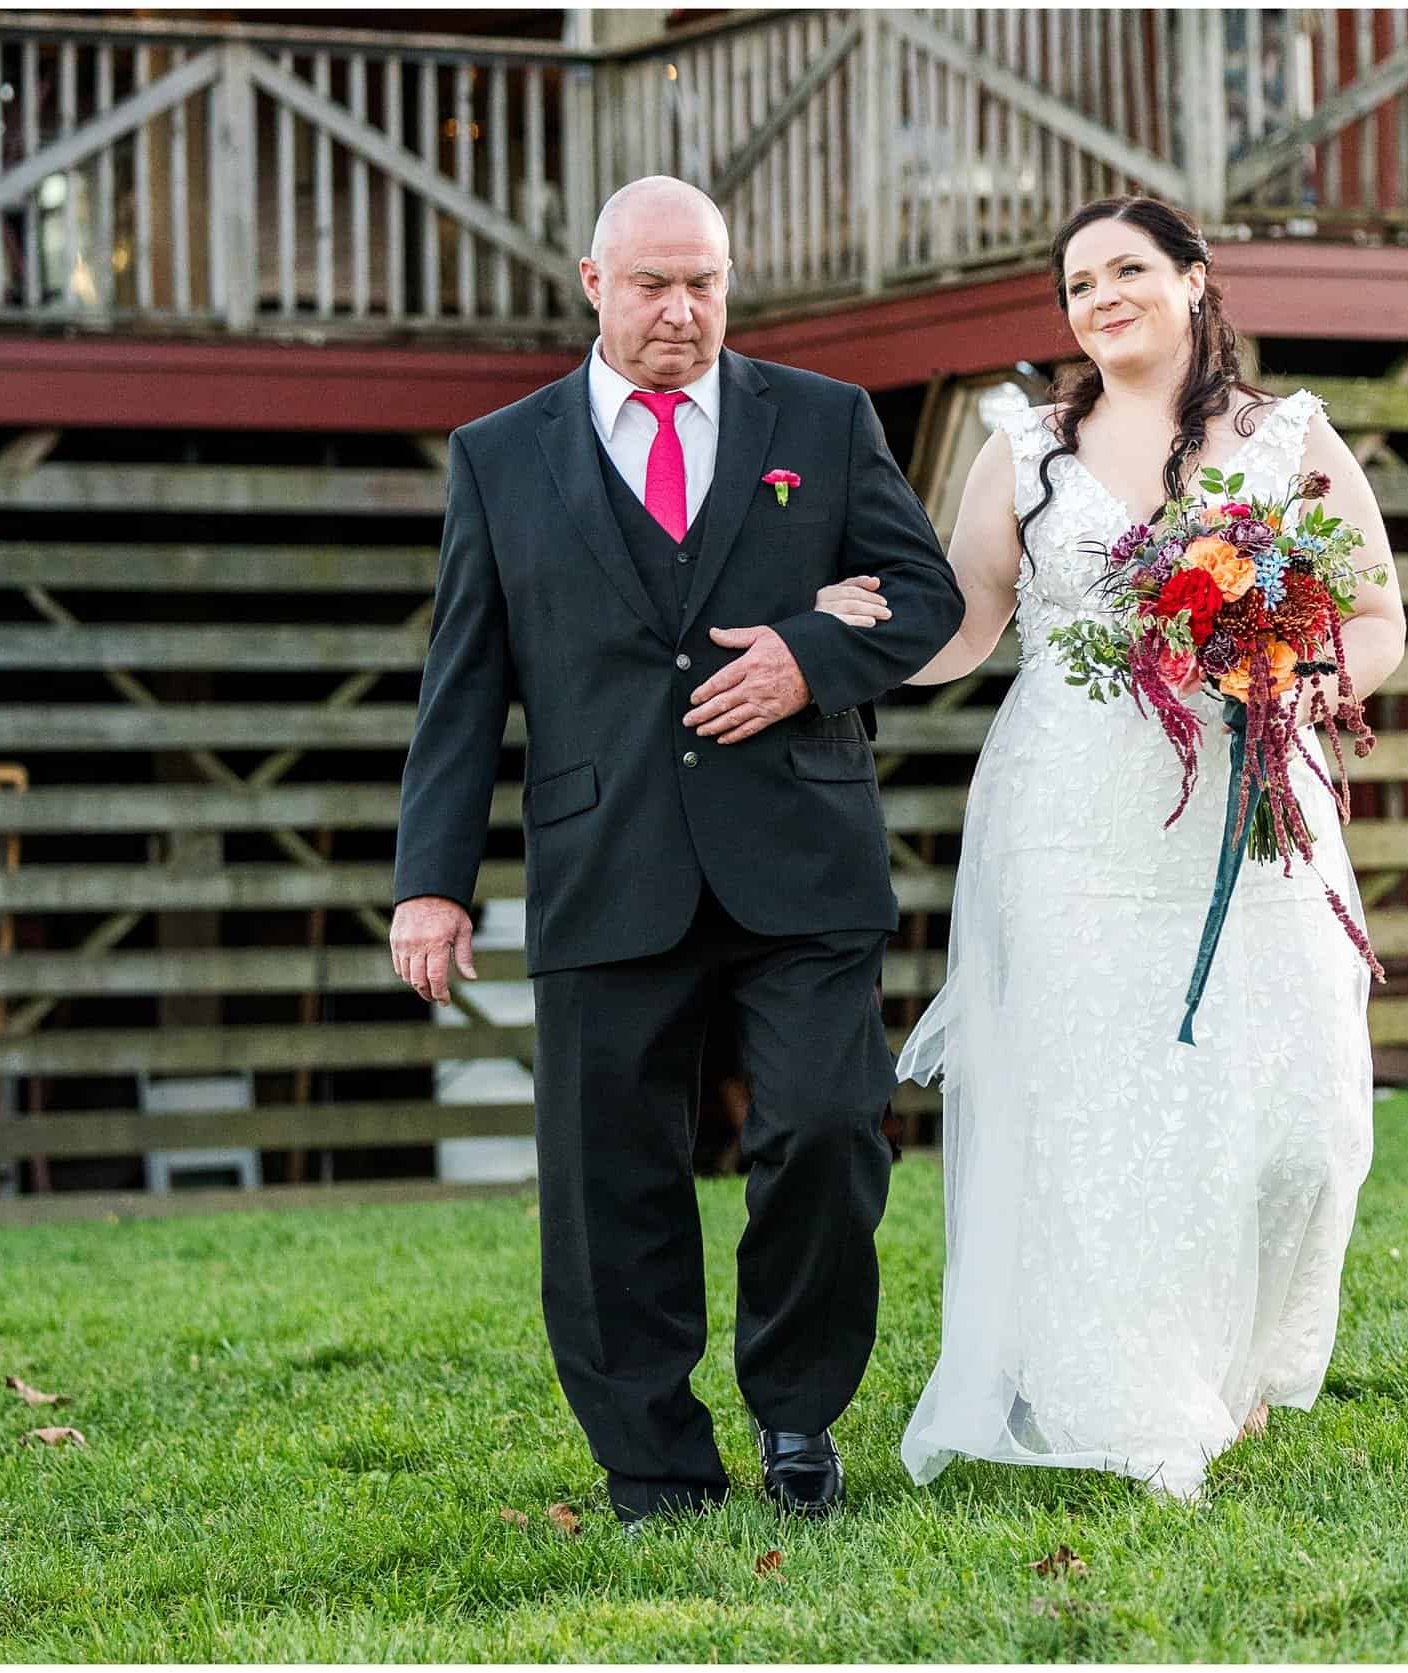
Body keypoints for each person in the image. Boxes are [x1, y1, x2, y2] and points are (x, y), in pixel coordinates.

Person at [389, 176, 964, 1527]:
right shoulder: (498, 454)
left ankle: (797, 1412)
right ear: (593, 283)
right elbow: (464, 682)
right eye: (652, 285)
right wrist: (432, 877)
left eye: (704, 282)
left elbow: (928, 596)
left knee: (828, 1125)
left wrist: (808, 657)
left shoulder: (822, 423)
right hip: (607, 853)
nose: (682, 311)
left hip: (801, 851)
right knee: (607, 1182)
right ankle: (653, 1461)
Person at [817, 196, 1408, 1503]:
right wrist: (844, 633)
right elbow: (966, 621)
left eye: (1129, 268)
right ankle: (1136, 1393)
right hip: (1074, 813)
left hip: (1247, 810)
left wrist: (1301, 690)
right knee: (1102, 1102)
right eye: (1079, 281)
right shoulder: (1025, 449)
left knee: (1296, 1111)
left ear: (1195, 280)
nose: (1101, 296)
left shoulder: (1288, 438)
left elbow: (1373, 613)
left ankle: (1237, 1363)